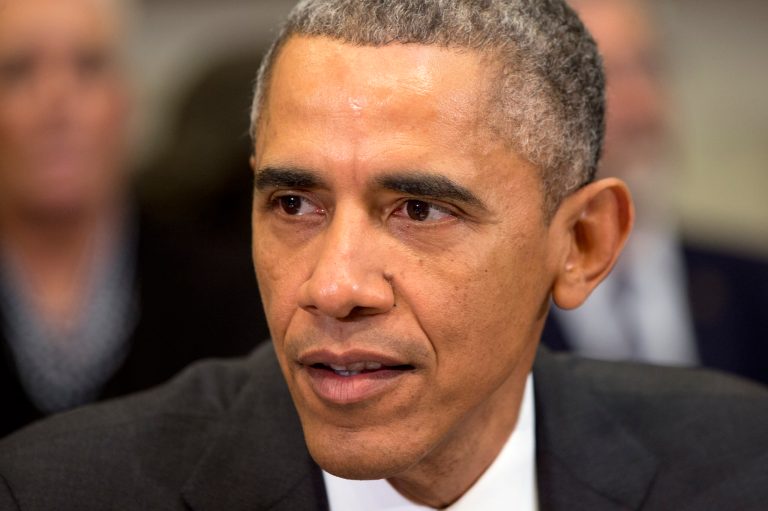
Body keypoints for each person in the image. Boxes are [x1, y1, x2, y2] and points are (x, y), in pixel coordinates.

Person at [1, 0, 767, 509]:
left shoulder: (739, 465)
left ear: (582, 244)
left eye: (420, 210)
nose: (333, 285)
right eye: (294, 203)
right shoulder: (57, 491)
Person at [0, 0, 269, 437]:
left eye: (88, 66)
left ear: (127, 98)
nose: (56, 104)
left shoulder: (229, 295)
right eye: (18, 70)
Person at [541, 0, 768, 385]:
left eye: (648, 67)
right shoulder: (505, 298)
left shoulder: (754, 289)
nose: (640, 105)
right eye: (604, 77)